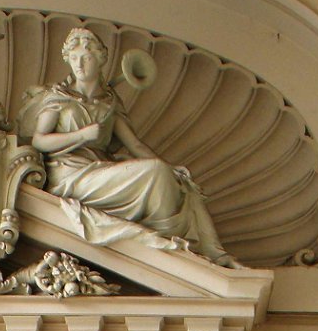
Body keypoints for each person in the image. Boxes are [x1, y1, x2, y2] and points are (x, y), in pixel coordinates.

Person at [20, 28, 236, 266]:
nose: (79, 64)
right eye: (74, 58)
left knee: (169, 177)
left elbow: (134, 144)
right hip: (70, 176)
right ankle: (169, 252)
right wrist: (81, 135)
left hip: (98, 171)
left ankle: (185, 253)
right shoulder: (59, 97)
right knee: (156, 173)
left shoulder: (110, 102)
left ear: (100, 59)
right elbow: (39, 140)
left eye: (86, 57)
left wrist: (171, 169)